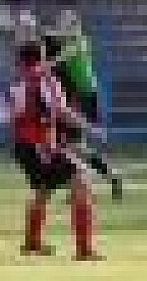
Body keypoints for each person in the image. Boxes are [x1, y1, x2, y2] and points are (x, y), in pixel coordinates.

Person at [2, 41, 103, 260]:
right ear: (42, 57)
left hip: (22, 146)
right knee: (81, 179)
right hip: (41, 145)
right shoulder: (47, 81)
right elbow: (63, 112)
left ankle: (32, 243)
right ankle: (84, 249)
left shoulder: (15, 84)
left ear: (20, 61)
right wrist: (89, 128)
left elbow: (6, 119)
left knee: (43, 188)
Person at [44, 10, 123, 201]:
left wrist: (42, 66)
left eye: (66, 23)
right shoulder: (69, 40)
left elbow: (60, 57)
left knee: (74, 145)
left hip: (86, 97)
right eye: (61, 22)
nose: (62, 26)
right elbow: (53, 37)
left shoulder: (79, 41)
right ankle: (102, 179)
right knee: (74, 146)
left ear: (75, 25)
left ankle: (95, 182)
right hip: (80, 96)